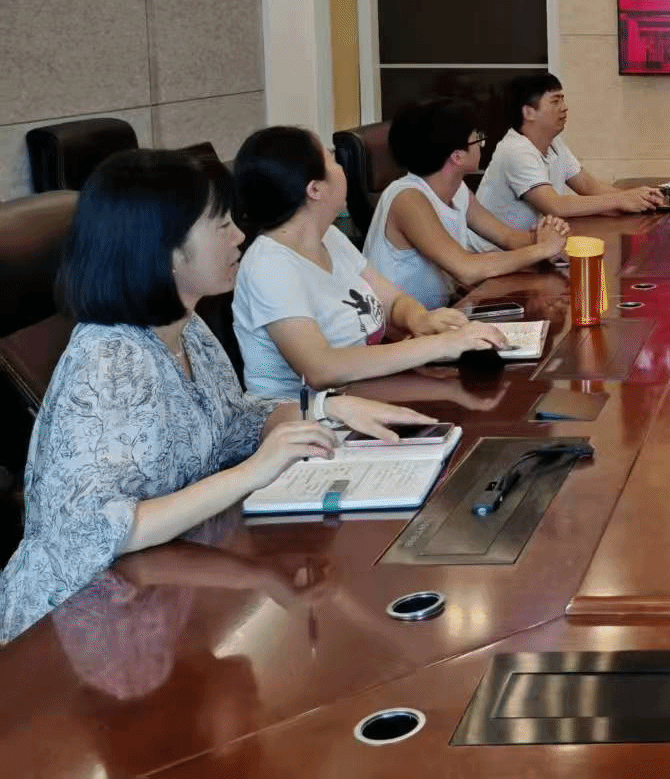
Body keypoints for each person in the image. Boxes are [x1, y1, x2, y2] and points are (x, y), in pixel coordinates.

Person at [0, 149, 435, 642]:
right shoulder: (109, 360)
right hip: (74, 629)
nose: (239, 236)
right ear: (165, 249)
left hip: (168, 586)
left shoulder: (187, 328)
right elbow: (101, 530)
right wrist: (253, 472)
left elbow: (232, 421)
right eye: (221, 225)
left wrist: (325, 407)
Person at [232, 126, 507, 396]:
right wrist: (443, 345)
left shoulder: (330, 238)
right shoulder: (269, 266)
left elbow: (393, 302)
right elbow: (321, 369)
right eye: (332, 160)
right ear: (314, 189)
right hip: (309, 417)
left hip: (367, 394)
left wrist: (420, 318)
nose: (341, 169)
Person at [363, 97, 572, 308]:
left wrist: (547, 236)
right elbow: (466, 269)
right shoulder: (408, 199)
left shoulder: (458, 190)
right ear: (457, 156)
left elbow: (507, 237)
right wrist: (542, 249)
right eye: (477, 138)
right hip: (400, 323)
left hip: (442, 313)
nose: (481, 144)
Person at [475, 73, 665, 236]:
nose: (564, 107)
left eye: (563, 100)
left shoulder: (555, 143)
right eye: (555, 101)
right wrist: (621, 200)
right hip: (494, 254)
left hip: (530, 248)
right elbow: (555, 206)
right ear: (529, 112)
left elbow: (589, 186)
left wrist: (640, 198)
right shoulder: (515, 150)